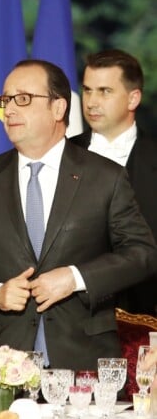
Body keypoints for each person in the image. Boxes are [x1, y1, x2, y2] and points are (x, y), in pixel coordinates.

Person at [0, 59, 157, 373]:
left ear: (58, 108)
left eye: (23, 99)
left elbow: (142, 253)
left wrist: (76, 278)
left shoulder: (105, 177)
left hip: (85, 366)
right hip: (7, 367)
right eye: (5, 100)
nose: (9, 110)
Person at [71, 49, 157, 315]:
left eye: (105, 91)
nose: (92, 102)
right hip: (72, 324)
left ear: (133, 98)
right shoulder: (59, 157)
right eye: (87, 90)